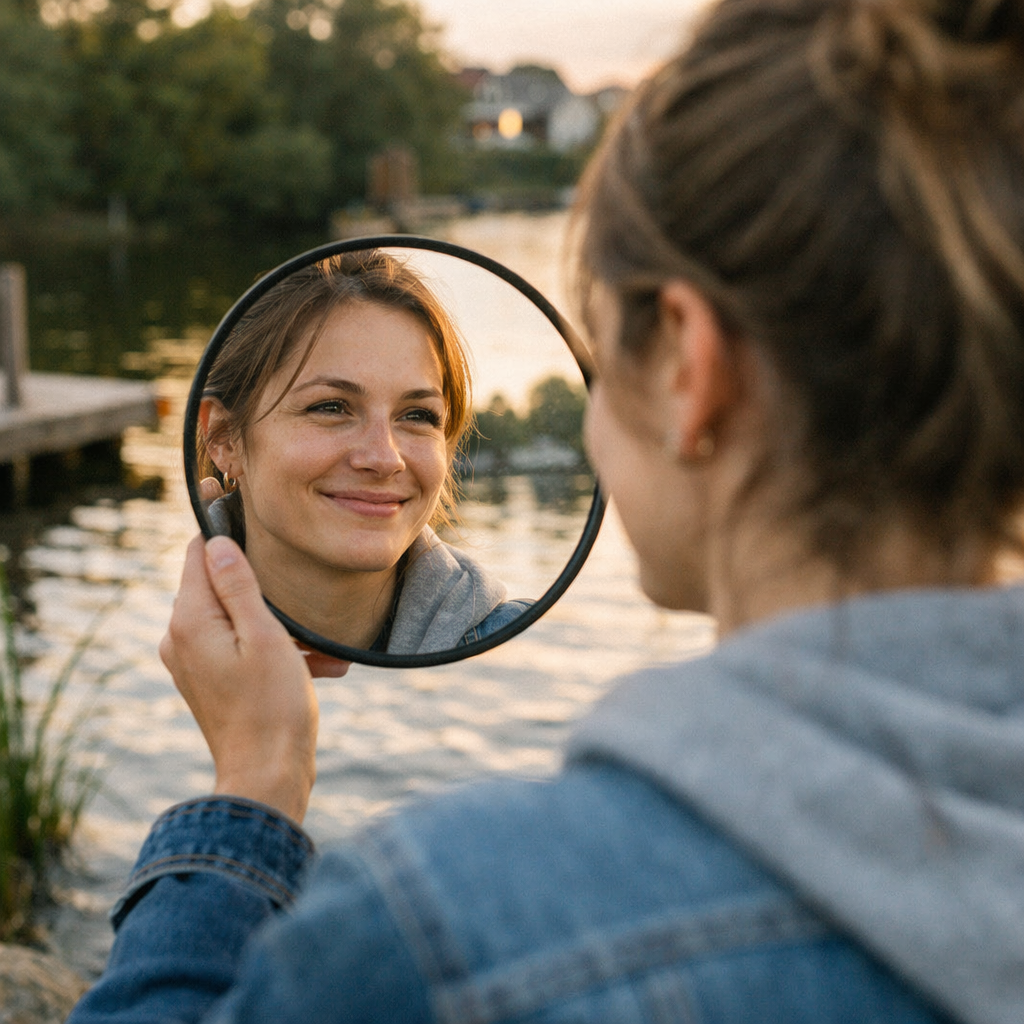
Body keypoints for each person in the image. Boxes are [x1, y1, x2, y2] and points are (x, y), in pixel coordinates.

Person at [70, 0, 1024, 1019]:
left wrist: (255, 781)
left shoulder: (441, 924)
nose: (385, 455)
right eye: (333, 406)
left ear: (689, 374)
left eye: (603, 356)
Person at [197, 249, 529, 656]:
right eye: (331, 407)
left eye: (418, 415)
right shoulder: (155, 669)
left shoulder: (520, 649)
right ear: (225, 438)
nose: (385, 458)